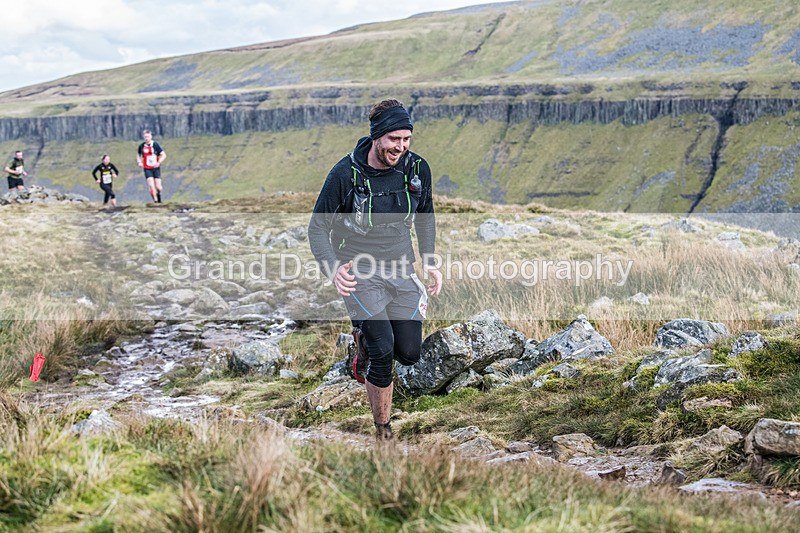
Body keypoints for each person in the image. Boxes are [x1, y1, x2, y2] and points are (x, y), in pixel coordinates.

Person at [309, 99, 443, 441]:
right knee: (383, 350)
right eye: (393, 139)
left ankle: (363, 344)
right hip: (360, 270)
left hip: (401, 267)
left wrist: (429, 259)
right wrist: (332, 268)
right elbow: (317, 228)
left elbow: (425, 215)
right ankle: (383, 430)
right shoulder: (345, 174)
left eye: (406, 139)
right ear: (376, 138)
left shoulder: (417, 169)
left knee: (409, 353)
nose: (400, 146)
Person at [136, 130, 166, 203]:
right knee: (151, 186)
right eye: (145, 137)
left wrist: (159, 162)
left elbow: (163, 155)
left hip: (156, 168)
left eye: (148, 136)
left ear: (151, 136)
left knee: (158, 187)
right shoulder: (142, 146)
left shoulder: (155, 145)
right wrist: (139, 162)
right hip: (147, 168)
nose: (146, 138)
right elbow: (138, 155)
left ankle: (158, 196)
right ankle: (155, 202)